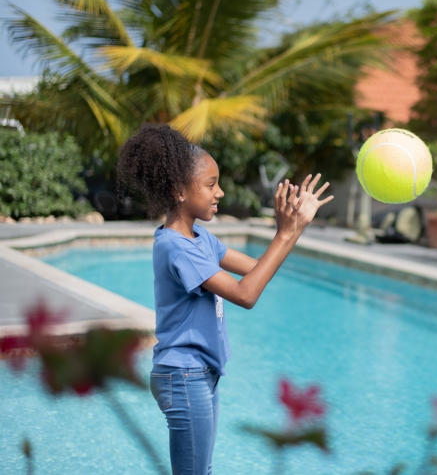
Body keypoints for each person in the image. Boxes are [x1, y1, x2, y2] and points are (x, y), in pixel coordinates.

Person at [117, 124, 332, 474]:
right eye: (210, 183)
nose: (220, 191)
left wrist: (296, 226)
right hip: (183, 375)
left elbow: (258, 270)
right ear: (178, 191)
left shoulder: (201, 238)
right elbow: (245, 295)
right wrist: (282, 232)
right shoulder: (175, 247)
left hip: (200, 374)